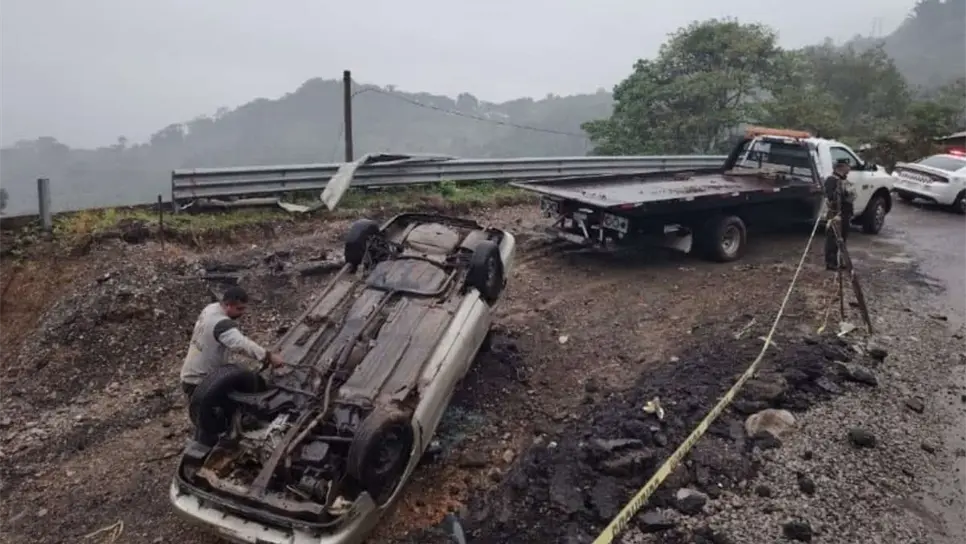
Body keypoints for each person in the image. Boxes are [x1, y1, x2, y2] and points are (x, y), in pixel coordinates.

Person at [179, 286, 284, 401]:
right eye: (239, 309)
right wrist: (269, 357)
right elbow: (242, 344)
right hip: (199, 381)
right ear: (228, 305)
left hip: (191, 375)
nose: (242, 313)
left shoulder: (210, 308)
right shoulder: (221, 325)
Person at [823, 158, 854, 271]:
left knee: (842, 239)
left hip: (845, 214)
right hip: (836, 214)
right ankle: (831, 262)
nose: (849, 169)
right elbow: (831, 198)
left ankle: (840, 261)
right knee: (833, 238)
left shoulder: (844, 180)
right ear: (841, 167)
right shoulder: (832, 180)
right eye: (847, 166)